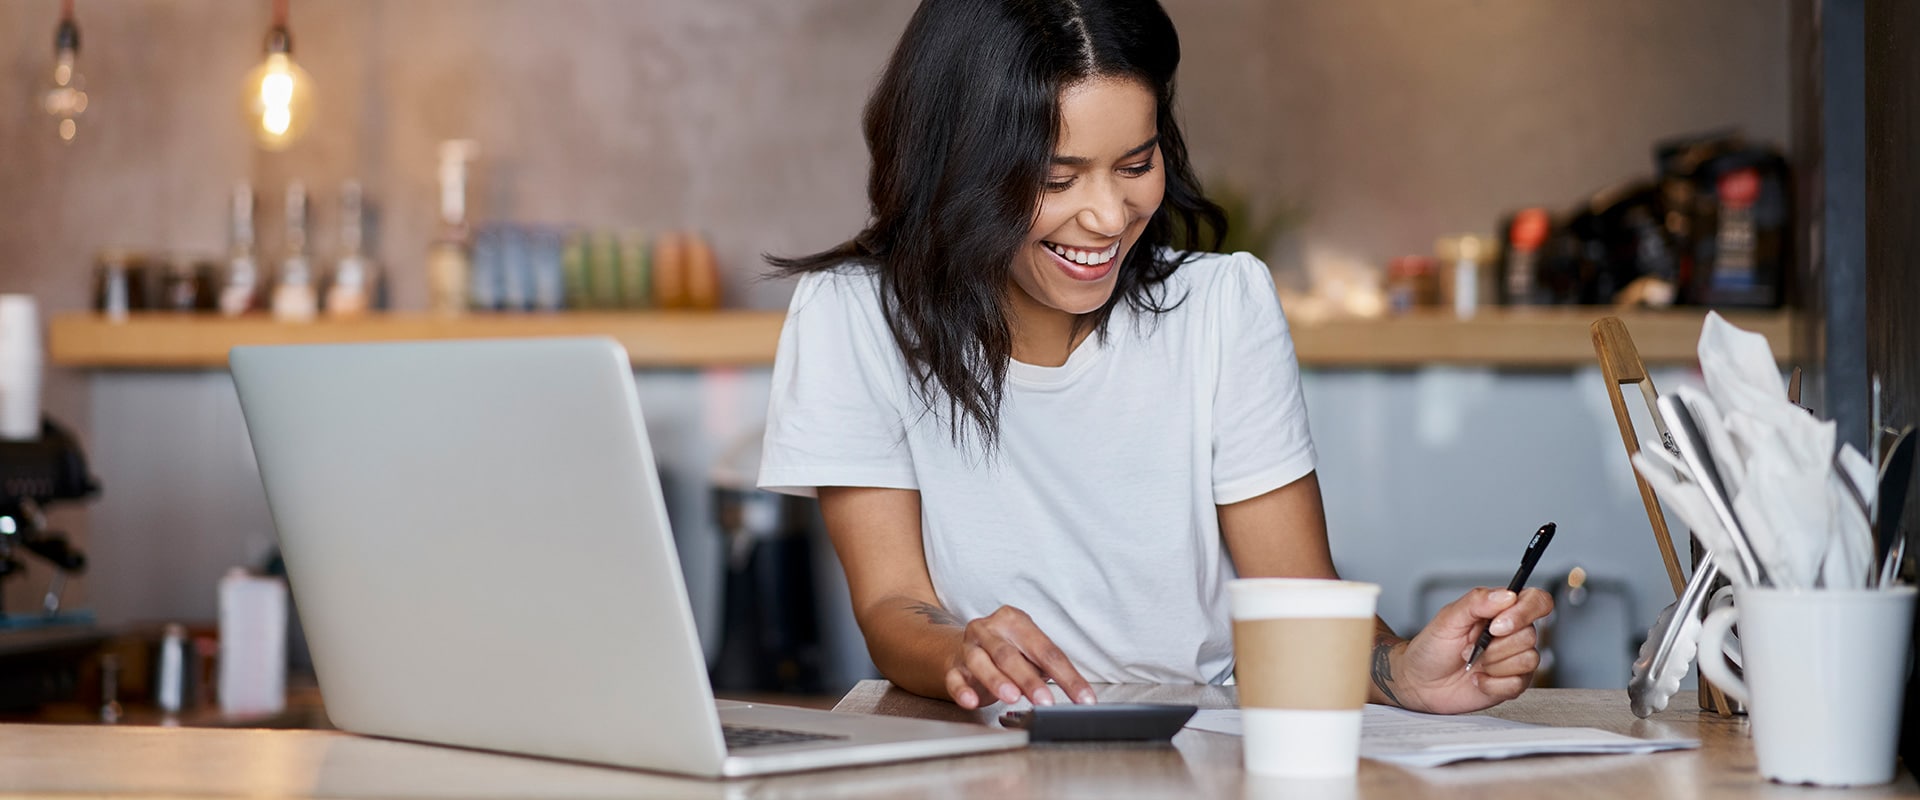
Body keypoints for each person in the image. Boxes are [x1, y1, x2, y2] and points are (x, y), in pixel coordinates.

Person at [758, 0, 1552, 714]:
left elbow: (1294, 599)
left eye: (1135, 166)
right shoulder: (856, 317)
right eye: (1056, 179)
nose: (1107, 216)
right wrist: (960, 649)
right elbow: (894, 604)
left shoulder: (1220, 307)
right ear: (958, 169)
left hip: (1194, 745)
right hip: (978, 746)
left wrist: (1403, 670)